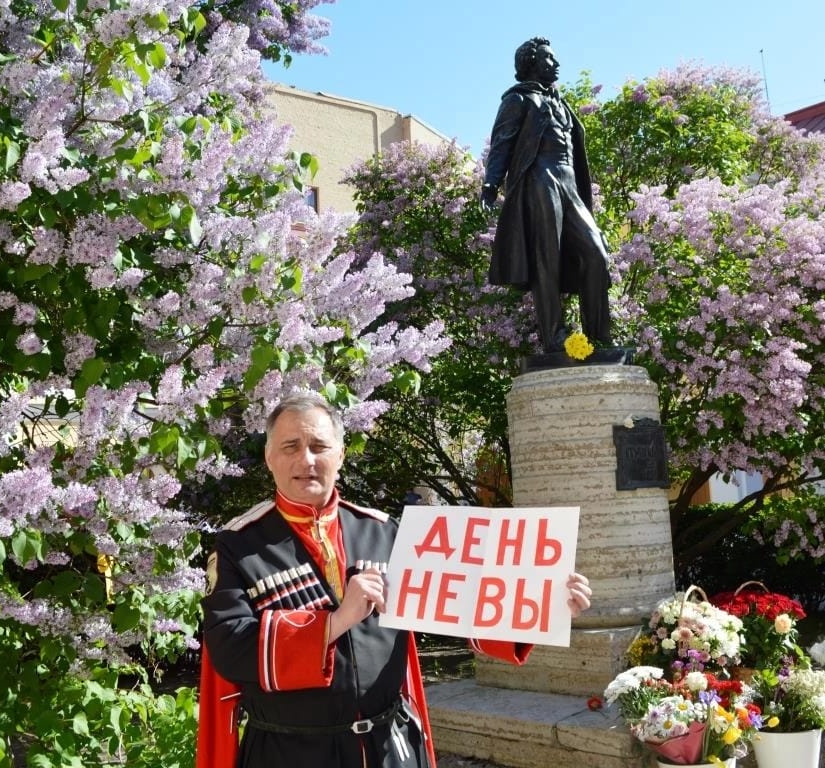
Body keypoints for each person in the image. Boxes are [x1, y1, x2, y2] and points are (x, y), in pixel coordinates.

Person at [197, 391, 592, 768]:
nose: (307, 459)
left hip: (390, 746)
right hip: (290, 753)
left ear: (341, 455)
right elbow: (231, 647)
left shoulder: (388, 532)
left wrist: (543, 604)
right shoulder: (239, 543)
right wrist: (334, 622)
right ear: (269, 457)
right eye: (290, 447)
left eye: (319, 446)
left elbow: (462, 605)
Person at [481, 36, 612, 353]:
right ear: (532, 64)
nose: (556, 64)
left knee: (596, 254)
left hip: (569, 184)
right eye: (549, 59)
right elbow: (502, 143)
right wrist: (490, 184)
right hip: (541, 180)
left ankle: (599, 338)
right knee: (546, 258)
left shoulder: (560, 102)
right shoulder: (518, 100)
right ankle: (555, 336)